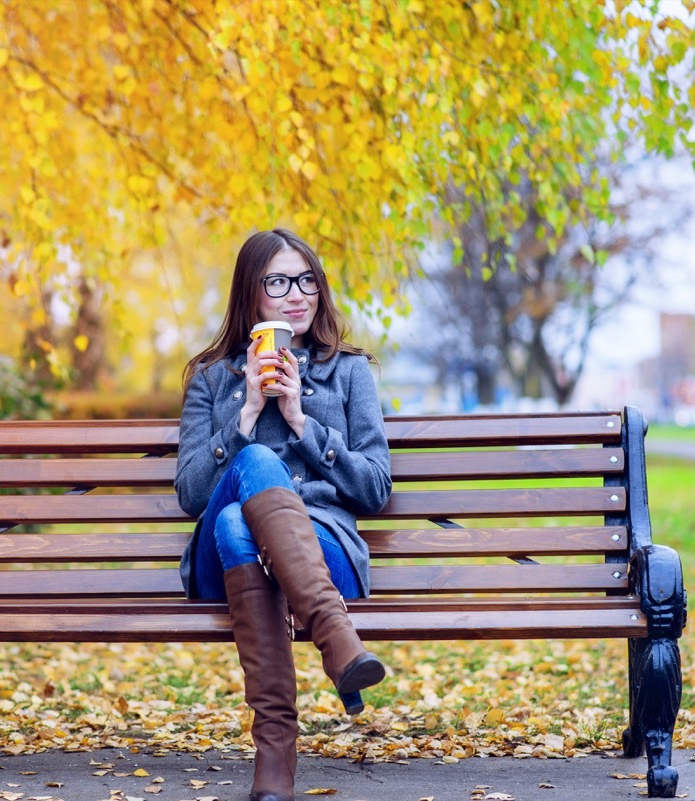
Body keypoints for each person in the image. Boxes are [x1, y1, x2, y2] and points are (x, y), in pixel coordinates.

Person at [174, 229, 392, 801]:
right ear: (251, 295)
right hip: (218, 572)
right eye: (278, 281)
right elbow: (192, 495)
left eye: (307, 280)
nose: (297, 294)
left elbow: (373, 489)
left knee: (234, 524)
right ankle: (336, 640)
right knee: (248, 471)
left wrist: (302, 421)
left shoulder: (348, 373)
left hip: (324, 555)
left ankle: (274, 758)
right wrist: (245, 415)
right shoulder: (211, 378)